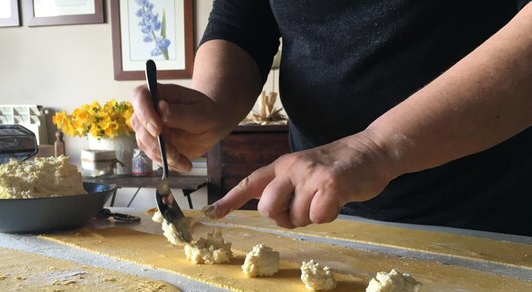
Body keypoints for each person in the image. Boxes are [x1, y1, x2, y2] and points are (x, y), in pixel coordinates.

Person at [131, 1, 532, 236]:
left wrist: (375, 147)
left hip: (487, 217)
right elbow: (242, 22)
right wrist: (211, 105)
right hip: (322, 217)